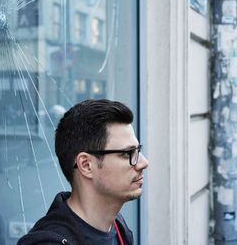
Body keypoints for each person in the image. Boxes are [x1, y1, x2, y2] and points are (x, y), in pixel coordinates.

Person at [18, 99, 149, 245]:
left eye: (138, 150)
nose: (143, 163)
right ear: (86, 165)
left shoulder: (118, 227)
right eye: (128, 153)